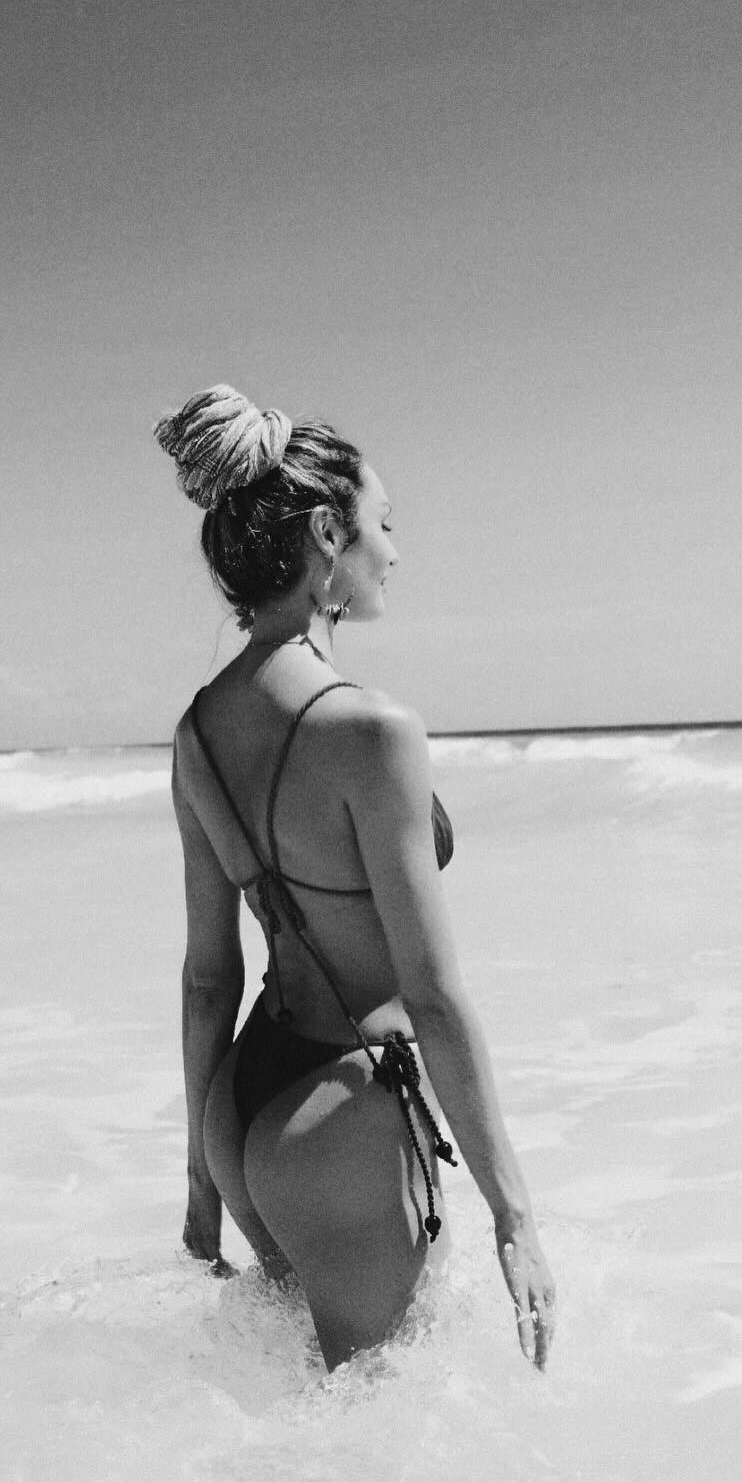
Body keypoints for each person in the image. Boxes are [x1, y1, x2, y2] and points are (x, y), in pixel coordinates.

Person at [157, 385, 555, 1371]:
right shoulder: (372, 730)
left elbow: (208, 977)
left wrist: (205, 1174)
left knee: (308, 1415)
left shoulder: (198, 732)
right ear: (328, 535)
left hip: (243, 1103)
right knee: (379, 1432)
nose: (395, 550)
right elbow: (432, 992)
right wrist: (514, 1213)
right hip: (339, 1117)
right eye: (384, 523)